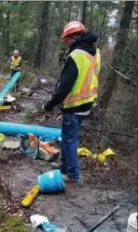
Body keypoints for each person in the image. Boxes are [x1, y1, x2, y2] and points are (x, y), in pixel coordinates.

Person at [42, 21, 101, 183]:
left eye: (67, 39)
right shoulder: (95, 53)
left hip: (74, 105)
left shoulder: (76, 56)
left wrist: (50, 104)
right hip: (87, 103)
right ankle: (64, 167)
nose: (66, 42)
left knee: (70, 141)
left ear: (74, 37)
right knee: (68, 137)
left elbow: (65, 87)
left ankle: (73, 175)